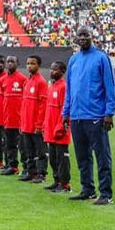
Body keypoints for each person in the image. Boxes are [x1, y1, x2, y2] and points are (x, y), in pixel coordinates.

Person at [62, 26, 115, 204]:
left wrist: (109, 113)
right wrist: (66, 112)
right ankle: (88, 189)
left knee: (102, 156)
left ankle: (106, 194)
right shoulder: (73, 60)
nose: (83, 38)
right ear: (76, 38)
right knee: (82, 156)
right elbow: (69, 89)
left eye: (86, 35)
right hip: (77, 116)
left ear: (92, 36)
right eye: (80, 35)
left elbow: (110, 86)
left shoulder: (101, 57)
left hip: (96, 116)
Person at [20, 55, 48, 183]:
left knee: (40, 151)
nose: (30, 66)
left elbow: (43, 106)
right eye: (28, 63)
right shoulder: (27, 81)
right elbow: (24, 105)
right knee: (29, 151)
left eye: (33, 63)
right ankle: (31, 173)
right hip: (26, 124)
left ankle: (41, 174)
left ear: (38, 65)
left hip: (36, 126)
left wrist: (39, 125)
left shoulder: (41, 82)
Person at [44, 61, 71, 193]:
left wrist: (60, 127)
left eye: (55, 69)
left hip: (59, 131)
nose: (51, 71)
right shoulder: (52, 86)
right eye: (51, 69)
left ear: (62, 72)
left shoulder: (63, 87)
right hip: (50, 129)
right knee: (53, 158)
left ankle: (65, 184)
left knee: (62, 159)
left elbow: (65, 110)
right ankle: (57, 180)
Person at [0, 55, 27, 176]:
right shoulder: (3, 80)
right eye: (8, 61)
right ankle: (12, 165)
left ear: (17, 63)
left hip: (19, 119)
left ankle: (27, 167)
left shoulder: (22, 79)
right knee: (9, 144)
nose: (10, 64)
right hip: (7, 118)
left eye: (12, 62)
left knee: (22, 146)